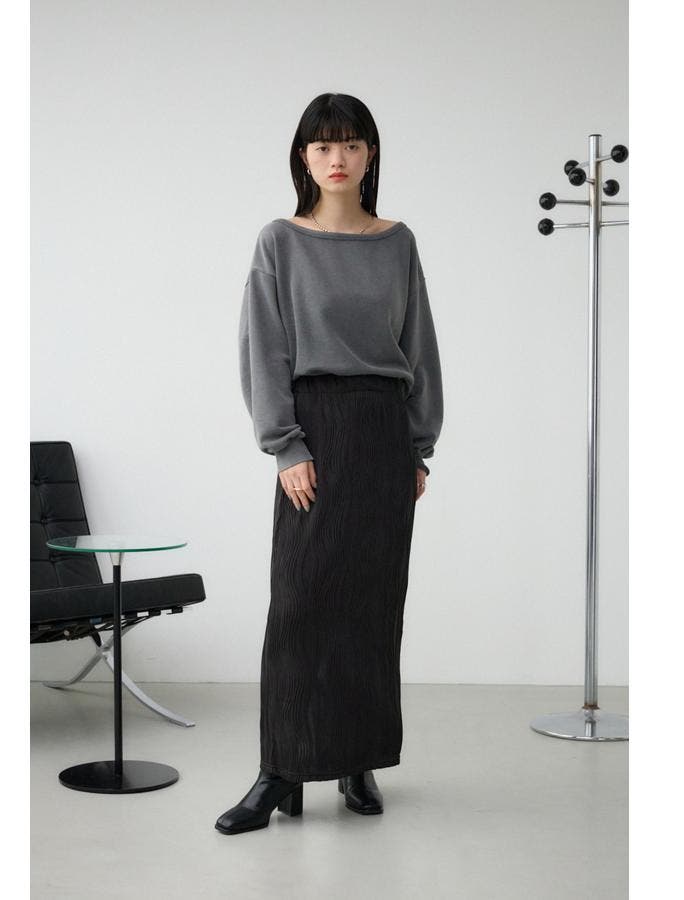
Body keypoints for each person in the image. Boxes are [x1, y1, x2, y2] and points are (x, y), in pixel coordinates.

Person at [215, 93, 444, 835]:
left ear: (370, 154)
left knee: (372, 606)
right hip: (314, 426)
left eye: (349, 144)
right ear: (303, 157)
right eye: (322, 146)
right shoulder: (281, 241)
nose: (336, 159)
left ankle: (357, 759)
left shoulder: (397, 242)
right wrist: (285, 444)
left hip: (383, 431)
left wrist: (417, 446)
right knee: (301, 604)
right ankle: (280, 769)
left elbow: (418, 347)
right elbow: (263, 347)